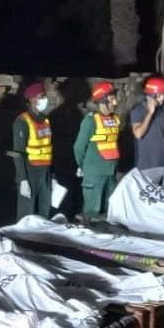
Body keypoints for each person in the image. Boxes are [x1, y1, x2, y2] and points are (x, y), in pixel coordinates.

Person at [73, 81, 120, 223]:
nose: (115, 102)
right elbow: (78, 147)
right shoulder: (90, 121)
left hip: (111, 173)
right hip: (94, 174)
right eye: (112, 99)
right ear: (102, 100)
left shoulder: (115, 119)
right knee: (92, 214)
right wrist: (82, 166)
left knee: (109, 212)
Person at [130, 76, 164, 191]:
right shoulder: (137, 110)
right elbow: (138, 134)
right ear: (154, 95)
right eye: (163, 95)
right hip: (147, 167)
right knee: (147, 203)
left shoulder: (163, 111)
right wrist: (150, 113)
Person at [11, 82, 53, 219]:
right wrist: (22, 179)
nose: (44, 100)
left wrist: (52, 175)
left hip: (45, 171)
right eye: (41, 97)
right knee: (26, 214)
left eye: (44, 96)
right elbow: (18, 153)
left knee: (44, 210)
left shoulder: (45, 120)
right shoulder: (22, 121)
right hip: (30, 171)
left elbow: (48, 146)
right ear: (32, 100)